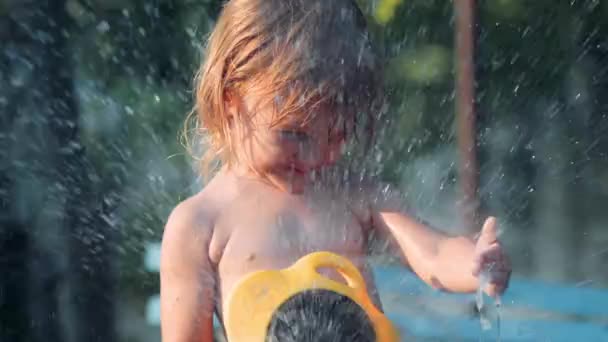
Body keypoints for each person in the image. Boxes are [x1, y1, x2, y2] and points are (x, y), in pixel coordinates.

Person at [160, 0, 512, 341]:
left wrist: (474, 264)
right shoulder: (200, 225)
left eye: (336, 135)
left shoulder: (355, 196)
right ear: (231, 99)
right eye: (293, 134)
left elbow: (433, 252)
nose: (314, 157)